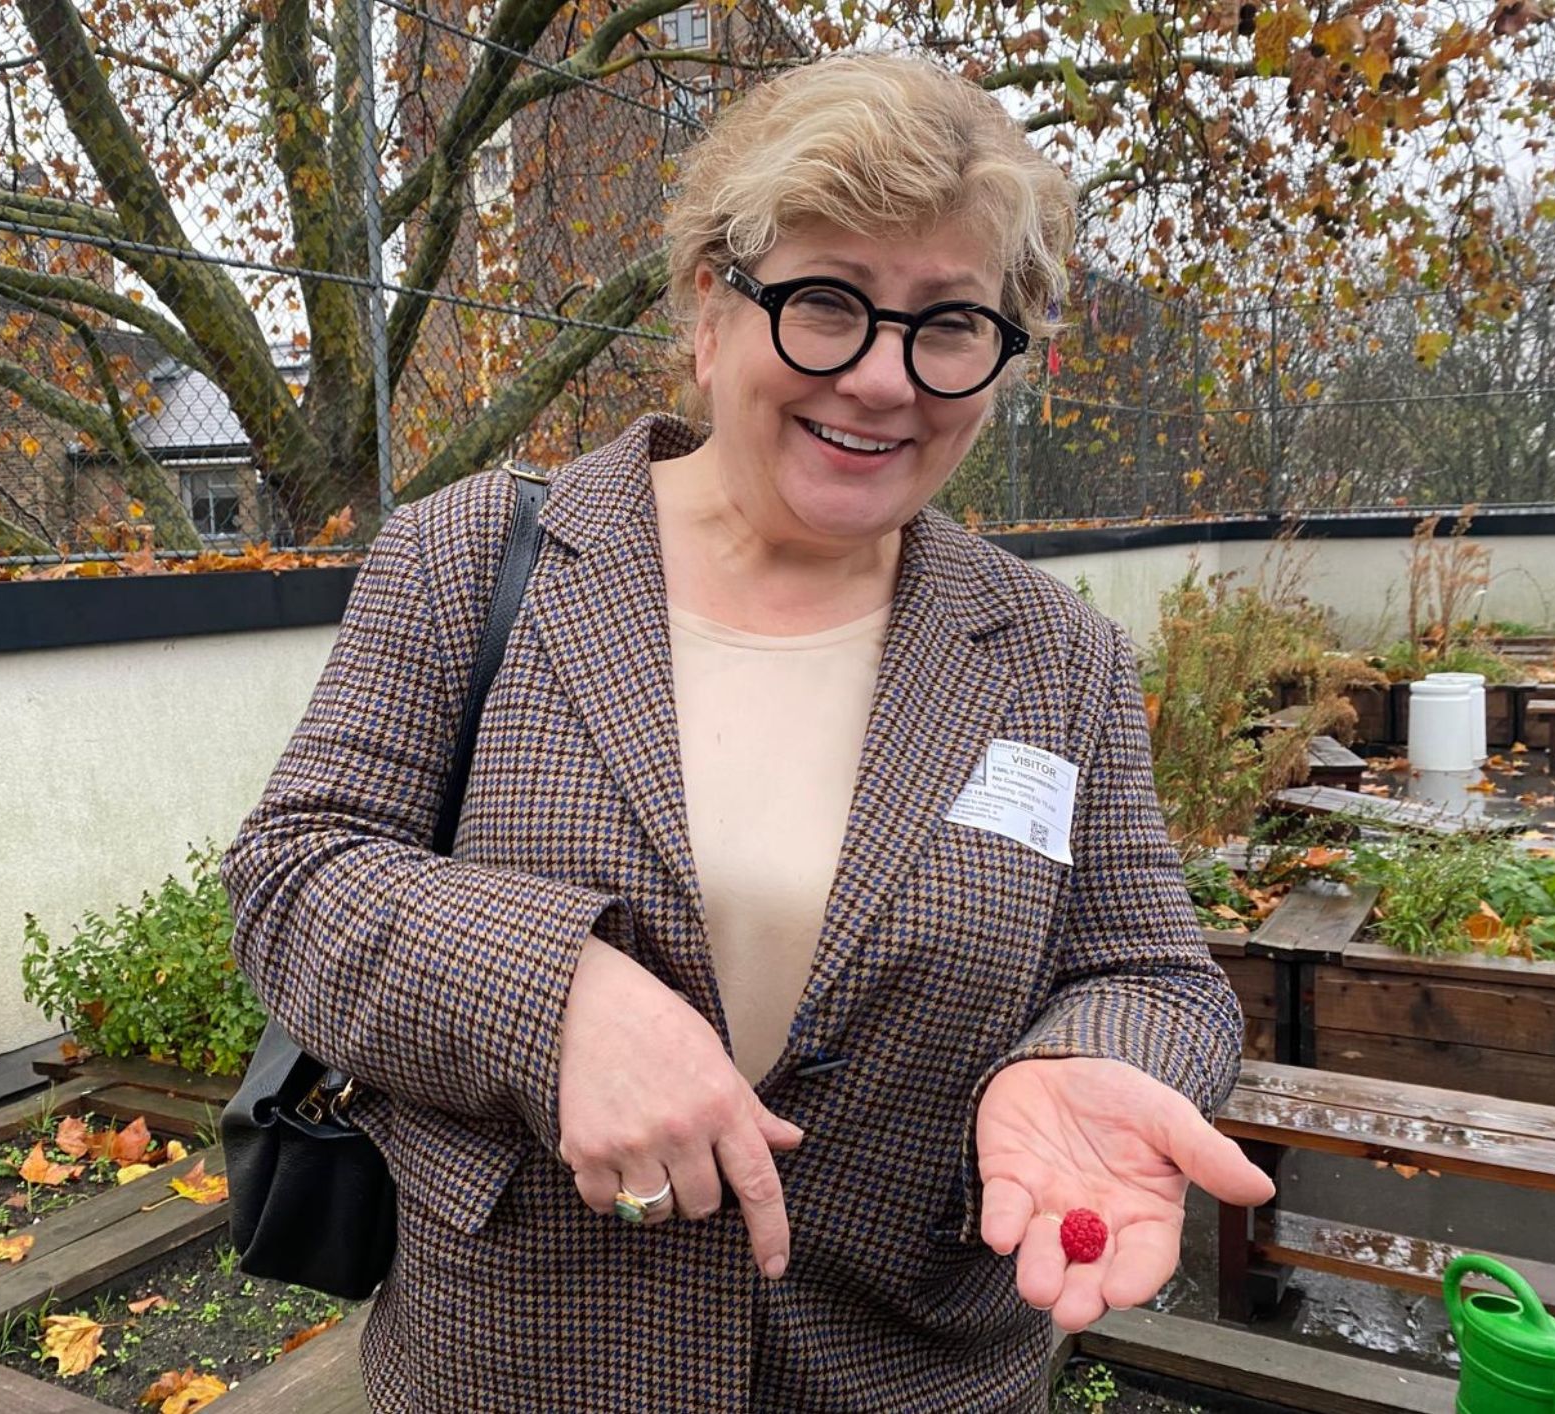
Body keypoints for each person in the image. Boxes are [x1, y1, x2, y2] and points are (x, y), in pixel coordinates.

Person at [223, 51, 1275, 1411]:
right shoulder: (475, 555)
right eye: (826, 302)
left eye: (949, 323)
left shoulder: (1053, 656)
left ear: (1001, 360)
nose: (885, 380)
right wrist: (554, 999)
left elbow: (1156, 971)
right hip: (518, 1368)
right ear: (713, 310)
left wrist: (1086, 1056)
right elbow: (297, 871)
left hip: (903, 1369)